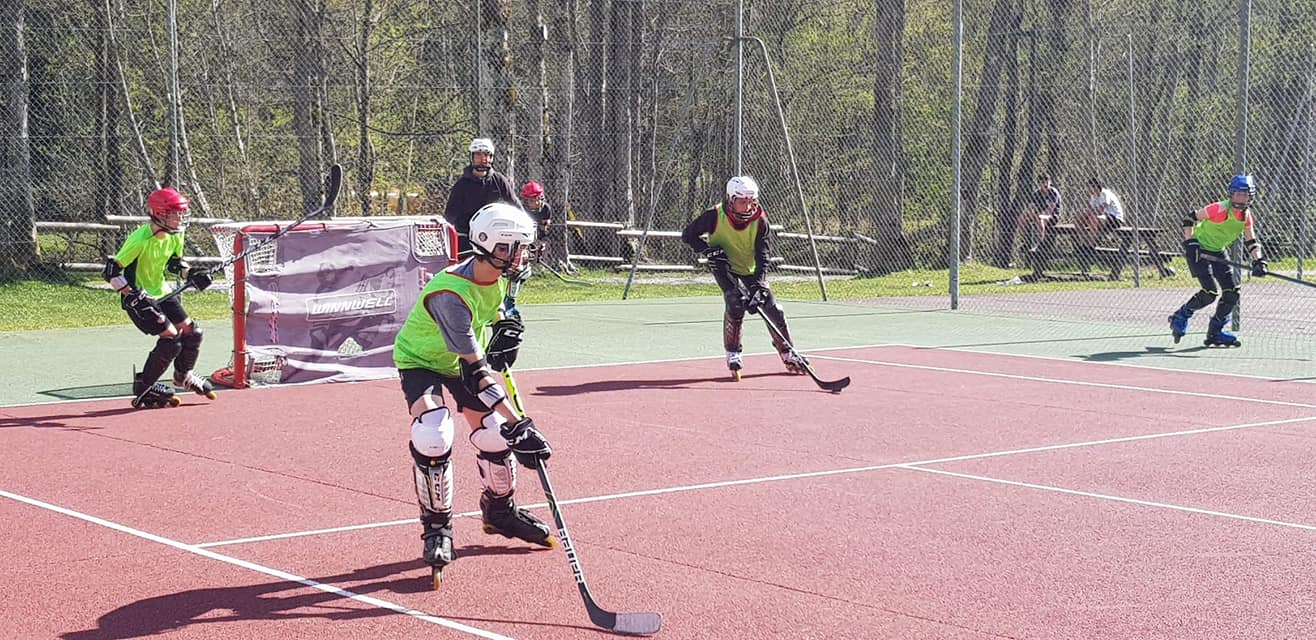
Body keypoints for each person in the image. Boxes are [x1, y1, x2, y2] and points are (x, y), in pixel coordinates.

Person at [392, 202, 555, 588]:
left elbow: (495, 311)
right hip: (423, 361)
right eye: (512, 248)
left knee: (493, 433)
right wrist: (522, 426)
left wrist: (506, 327)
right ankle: (437, 527)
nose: (521, 256)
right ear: (489, 247)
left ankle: (499, 512)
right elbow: (479, 373)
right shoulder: (450, 296)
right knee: (433, 432)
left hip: (462, 360)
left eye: (523, 247)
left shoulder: (493, 274)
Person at [102, 186, 215, 408]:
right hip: (138, 300)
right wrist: (131, 294)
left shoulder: (176, 234)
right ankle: (144, 387)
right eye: (176, 213)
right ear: (160, 214)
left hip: (162, 293)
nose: (180, 218)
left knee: (192, 332)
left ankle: (183, 376)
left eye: (182, 213)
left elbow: (174, 263)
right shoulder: (140, 239)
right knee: (171, 338)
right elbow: (111, 271)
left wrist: (193, 274)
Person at [681, 176, 805, 379]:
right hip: (724, 266)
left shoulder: (760, 220)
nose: (747, 205)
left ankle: (788, 352)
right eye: (742, 201)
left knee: (771, 307)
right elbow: (688, 235)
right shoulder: (714, 215)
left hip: (751, 267)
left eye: (751, 200)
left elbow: (763, 255)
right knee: (735, 301)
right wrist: (707, 250)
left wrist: (758, 286)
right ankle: (733, 353)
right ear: (730, 199)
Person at [1168, 174, 1268, 347]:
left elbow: (1252, 241)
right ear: (1231, 194)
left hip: (1218, 252)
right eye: (1238, 193)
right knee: (1210, 293)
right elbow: (1189, 218)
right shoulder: (1219, 208)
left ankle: (1215, 333)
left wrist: (1258, 261)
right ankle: (1181, 315)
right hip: (1199, 250)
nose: (1241, 198)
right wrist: (1190, 242)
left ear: (1251, 196)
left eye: (1245, 194)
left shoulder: (1246, 216)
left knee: (1231, 293)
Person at [444, 137, 520, 257]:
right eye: (478, 155)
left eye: (486, 155)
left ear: (491, 157)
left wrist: (527, 222)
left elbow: (514, 204)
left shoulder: (499, 181)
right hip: (468, 239)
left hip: (495, 238)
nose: (483, 159)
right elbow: (450, 216)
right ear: (472, 157)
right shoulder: (461, 185)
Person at [1075, 177, 1125, 270]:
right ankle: (1082, 243)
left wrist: (1088, 214)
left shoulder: (1105, 194)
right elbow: (1091, 210)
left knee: (1093, 217)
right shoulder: (1093, 196)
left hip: (1114, 219)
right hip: (1099, 218)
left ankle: (1091, 245)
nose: (1088, 189)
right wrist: (1083, 215)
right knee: (1078, 216)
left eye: (1089, 187)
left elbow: (1100, 211)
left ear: (1095, 187)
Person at [1017, 173, 1063, 254]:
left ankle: (1040, 244)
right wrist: (1029, 213)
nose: (1045, 183)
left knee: (1040, 218)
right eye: (1042, 182)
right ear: (1039, 183)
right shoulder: (1037, 194)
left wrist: (1037, 215)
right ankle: (1025, 242)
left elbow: (1050, 210)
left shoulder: (1053, 192)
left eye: (1047, 181)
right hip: (1039, 214)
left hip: (1052, 216)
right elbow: (1031, 207)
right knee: (1022, 217)